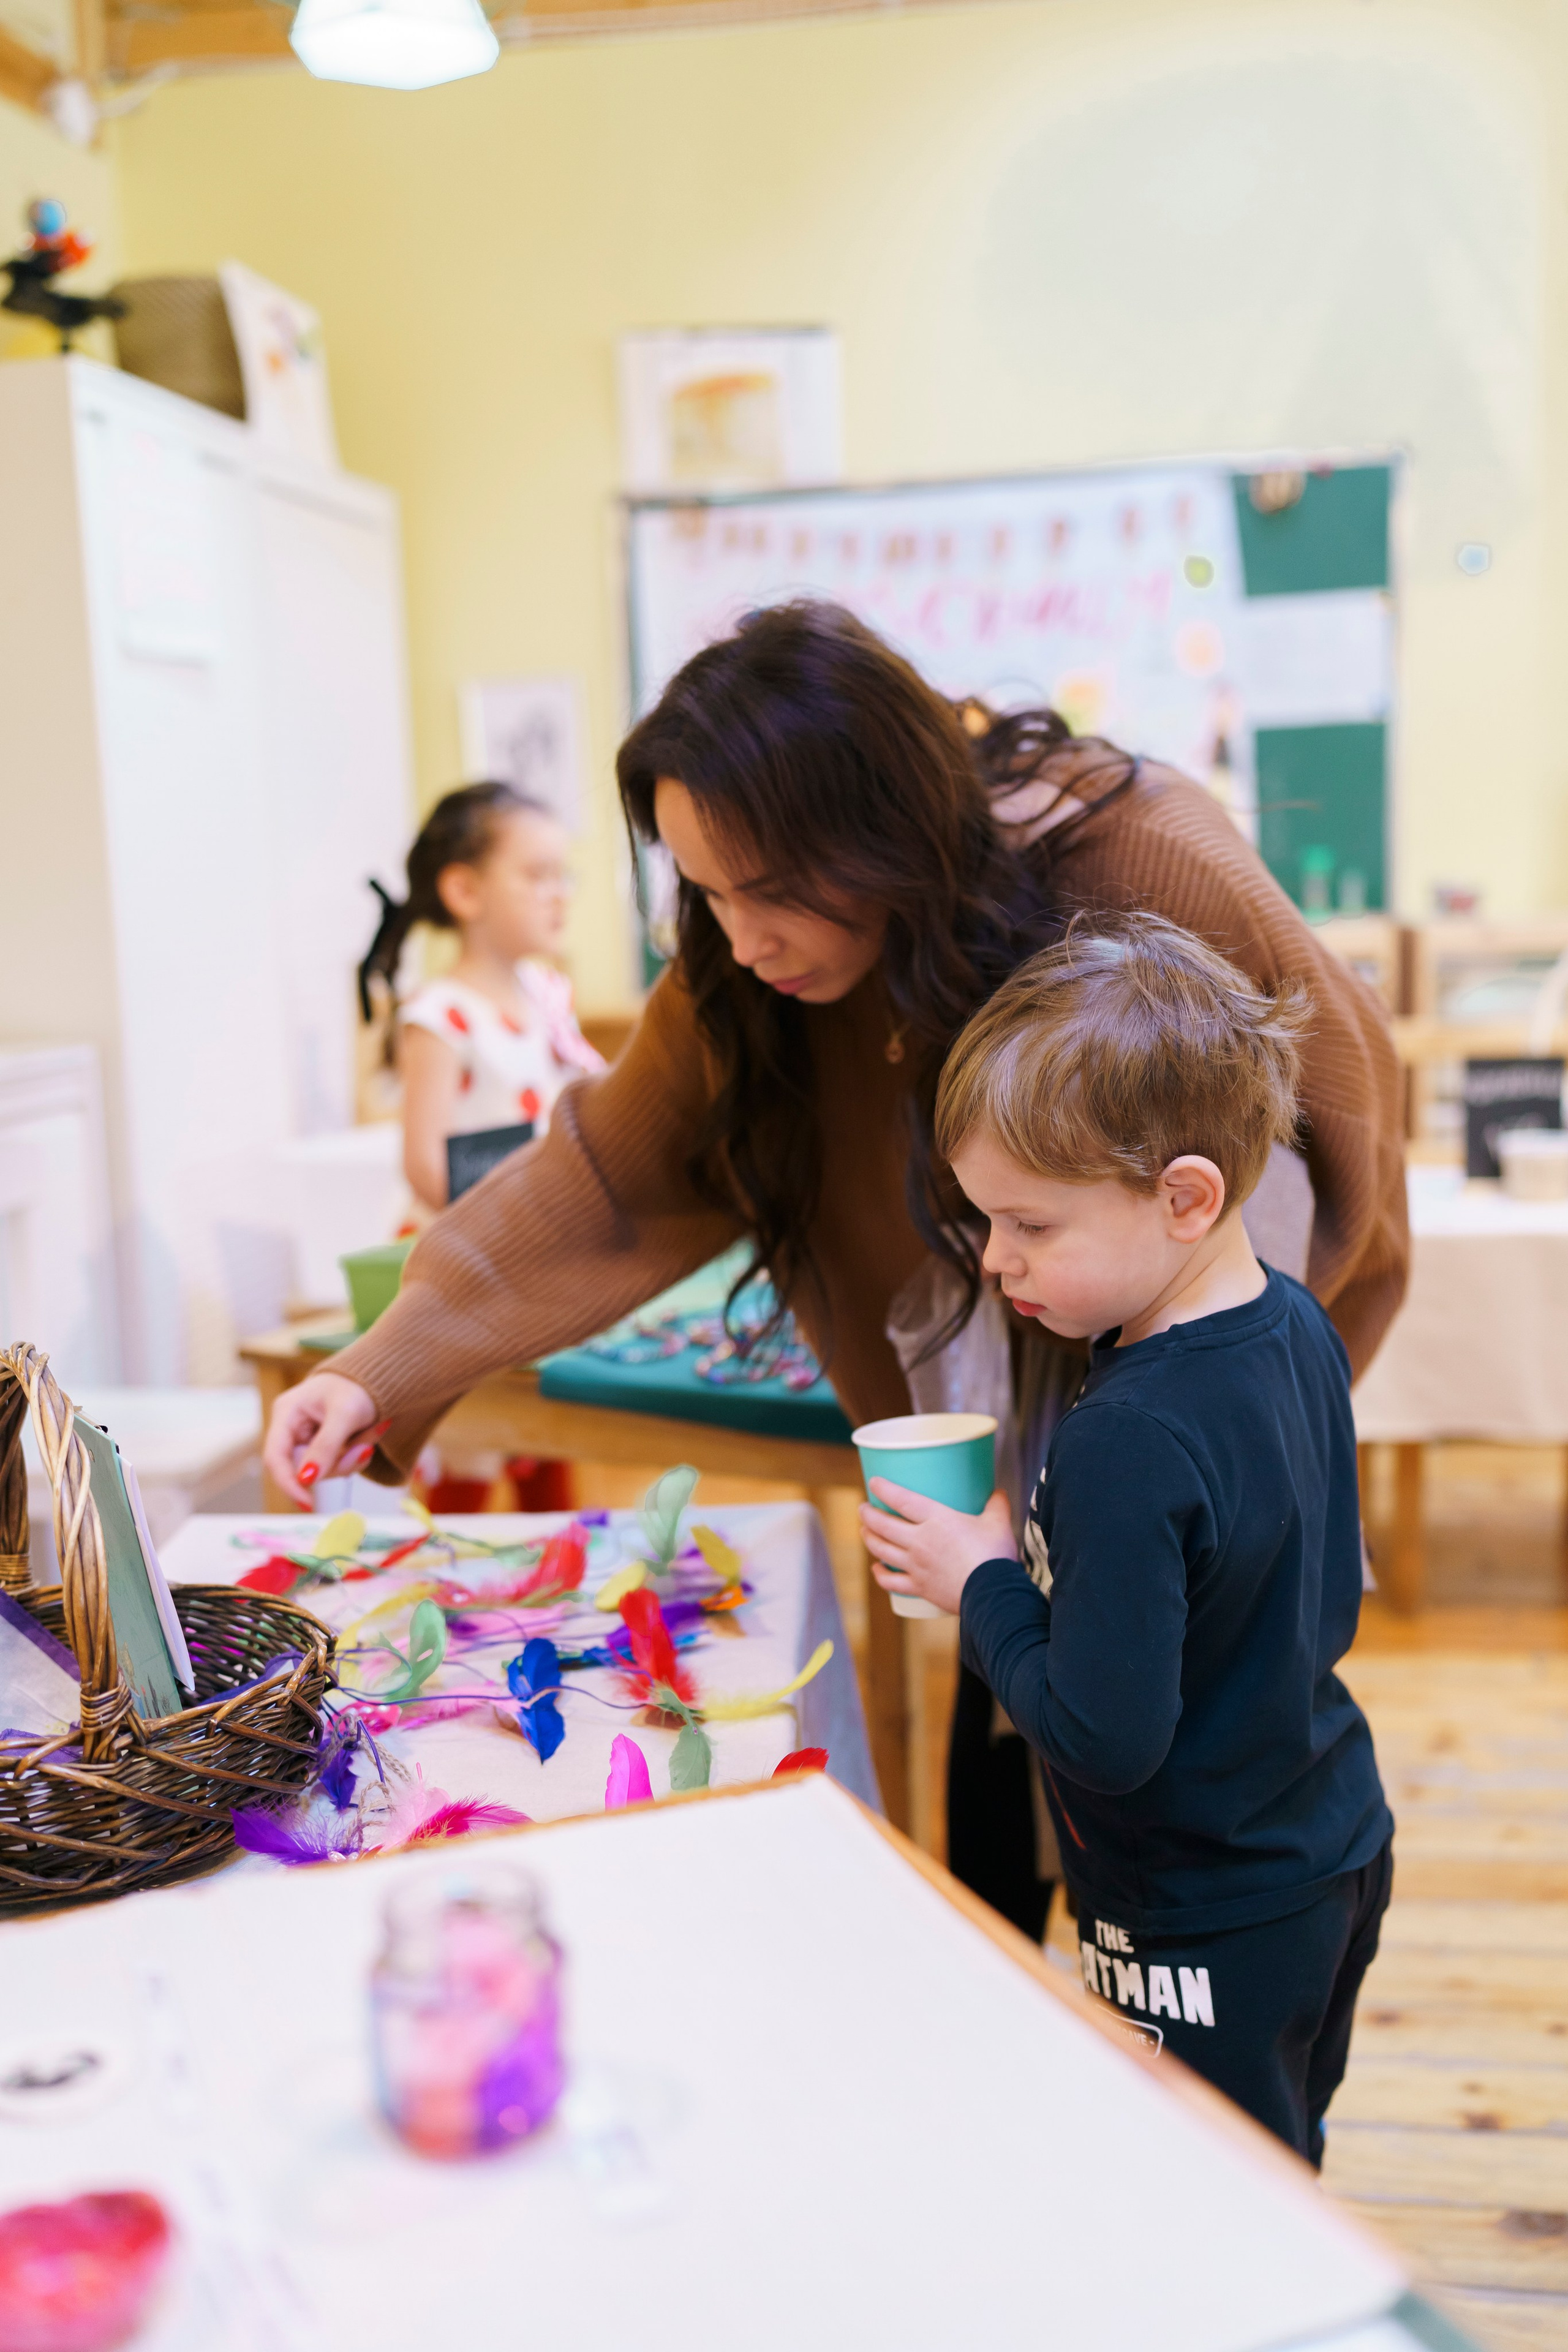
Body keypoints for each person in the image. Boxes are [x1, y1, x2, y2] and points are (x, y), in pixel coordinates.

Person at [266, 601, 1408, 1916]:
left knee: (1187, 1753)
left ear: (877, 830)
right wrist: (382, 1365)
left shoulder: (1135, 858)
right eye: (702, 889)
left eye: (768, 890)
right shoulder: (749, 968)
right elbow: (606, 1171)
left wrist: (1246, 1392)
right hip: (1016, 1418)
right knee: (1023, 1684)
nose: (739, 937)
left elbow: (1329, 1107)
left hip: (1180, 1393)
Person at [859, 914, 1392, 2165]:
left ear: (1183, 1196)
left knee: (1208, 2188)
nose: (994, 1260)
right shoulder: (1292, 1321)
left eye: (1028, 1225)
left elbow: (1105, 1739)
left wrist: (982, 1578)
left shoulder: (1124, 1436)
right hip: (1325, 1841)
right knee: (1279, 2148)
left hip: (1198, 1912)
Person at [357, 780, 604, 1217]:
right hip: (475, 1244)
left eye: (562, 875)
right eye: (537, 875)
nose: (561, 893)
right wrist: (499, 1231)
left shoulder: (548, 993)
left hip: (546, 1223)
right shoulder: (440, 1015)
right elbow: (424, 1165)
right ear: (465, 892)